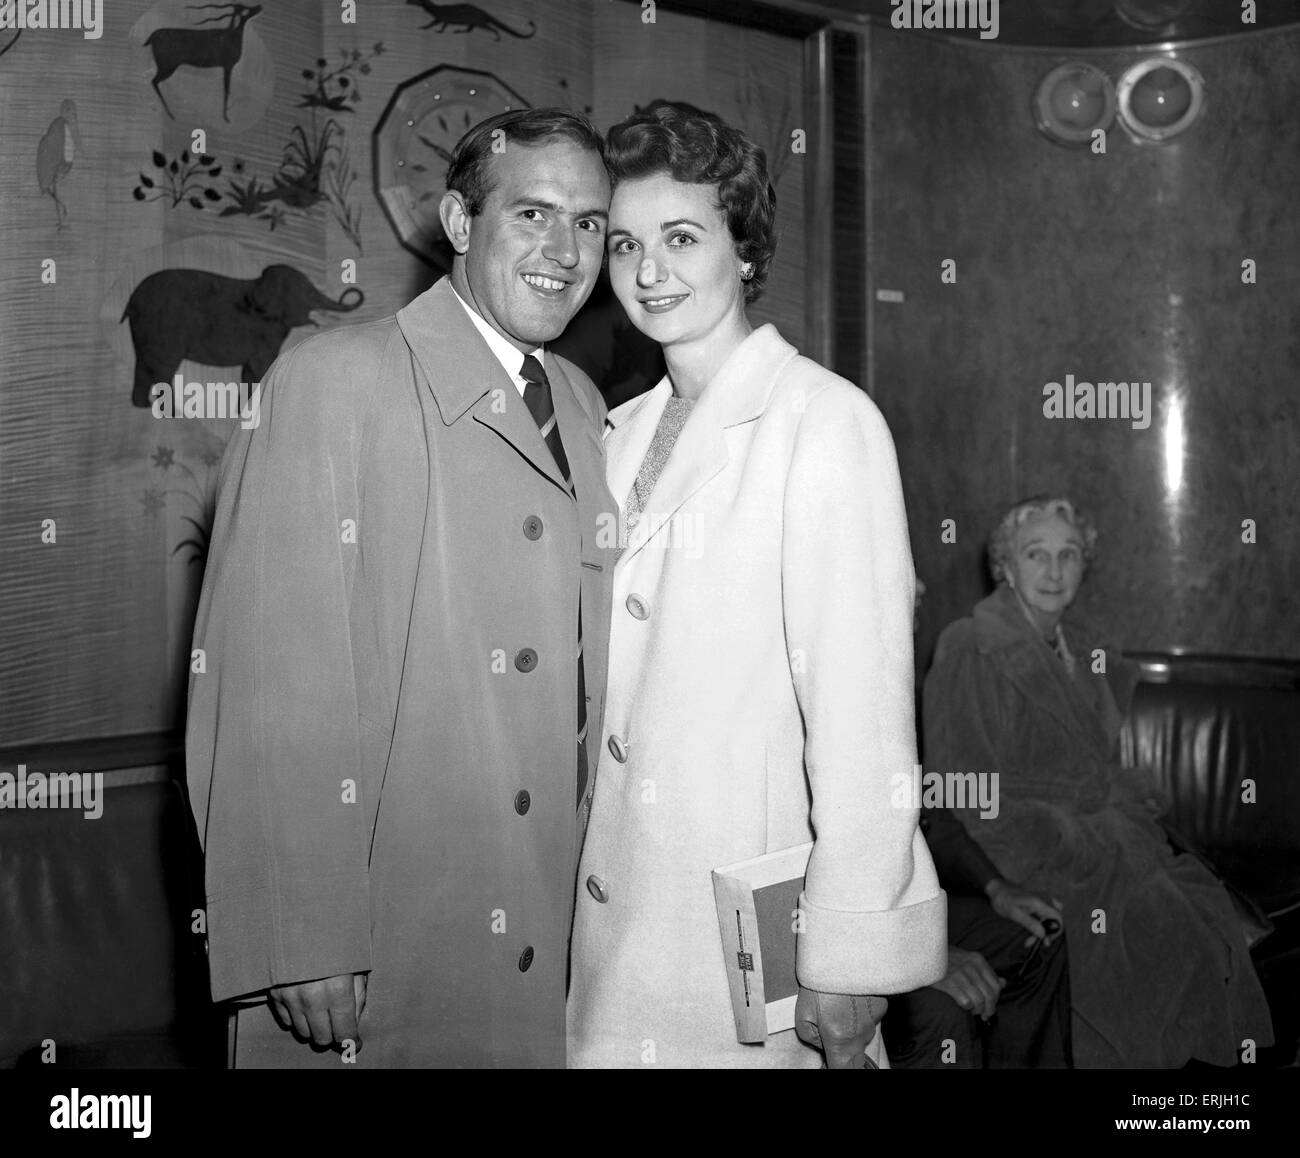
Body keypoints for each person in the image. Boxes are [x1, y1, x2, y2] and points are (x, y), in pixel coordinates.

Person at [186, 108, 616, 1067]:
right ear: (461, 225)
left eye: (588, 223)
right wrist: (304, 934)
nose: (566, 249)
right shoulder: (333, 378)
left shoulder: (585, 405)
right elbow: (269, 679)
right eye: (534, 214)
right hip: (384, 939)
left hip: (548, 926)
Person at [566, 101, 947, 1069]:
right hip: (608, 916)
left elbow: (863, 719)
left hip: (744, 937)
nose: (649, 272)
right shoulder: (611, 432)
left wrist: (850, 955)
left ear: (744, 249)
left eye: (682, 237)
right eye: (623, 244)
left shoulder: (823, 422)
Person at [922, 496, 1274, 1067]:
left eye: (1069, 555)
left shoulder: (1085, 650)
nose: (1054, 571)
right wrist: (1047, 848)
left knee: (1192, 937)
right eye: (1036, 554)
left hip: (1105, 842)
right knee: (1146, 953)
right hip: (1022, 850)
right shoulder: (969, 644)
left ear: (1085, 565)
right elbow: (957, 787)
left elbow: (1097, 767)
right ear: (1005, 565)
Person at [884, 805, 1073, 1068]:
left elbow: (921, 804)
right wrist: (918, 954)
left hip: (900, 905)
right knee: (938, 1011)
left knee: (1035, 936)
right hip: (842, 933)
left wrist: (994, 886)